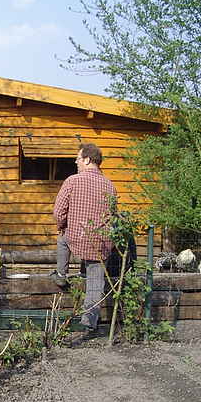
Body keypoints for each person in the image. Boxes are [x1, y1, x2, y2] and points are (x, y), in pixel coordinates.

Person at [52, 143, 117, 343]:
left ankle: (61, 276)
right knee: (95, 284)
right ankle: (89, 324)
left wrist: (62, 225)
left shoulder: (72, 181)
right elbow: (114, 216)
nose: (75, 161)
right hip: (101, 243)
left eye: (78, 158)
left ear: (87, 160)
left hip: (76, 238)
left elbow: (58, 212)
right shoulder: (110, 185)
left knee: (62, 240)